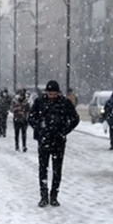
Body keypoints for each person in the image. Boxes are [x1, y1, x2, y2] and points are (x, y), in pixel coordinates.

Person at [29, 80, 80, 208]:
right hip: (44, 141)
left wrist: (65, 130)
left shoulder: (64, 103)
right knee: (43, 169)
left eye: (54, 93)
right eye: (50, 93)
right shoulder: (40, 102)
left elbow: (75, 118)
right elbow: (31, 117)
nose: (52, 96)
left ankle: (54, 196)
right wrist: (39, 129)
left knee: (57, 170)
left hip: (58, 141)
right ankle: (44, 196)